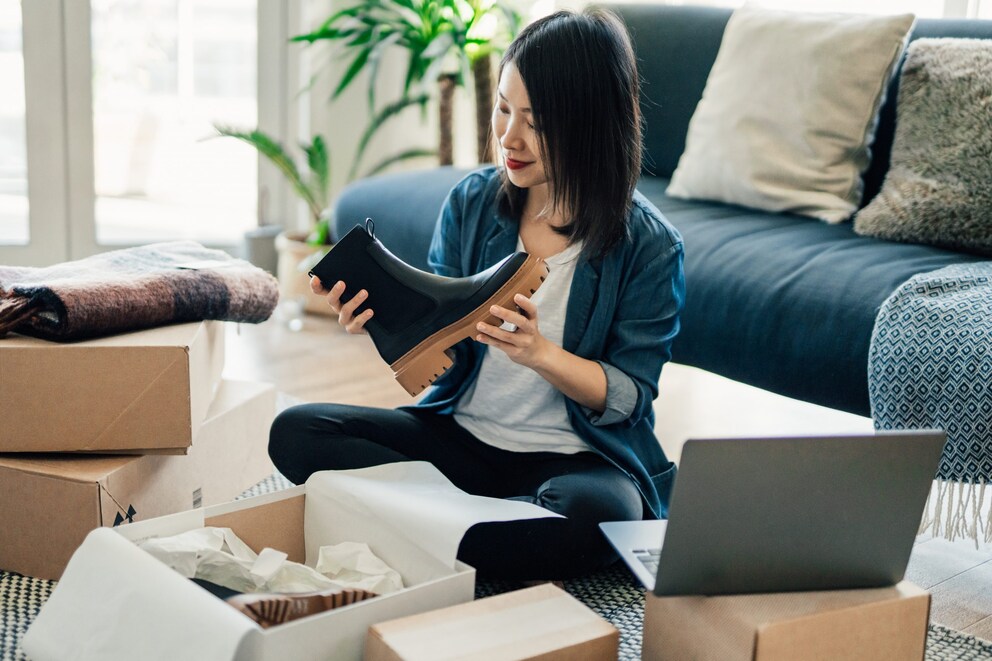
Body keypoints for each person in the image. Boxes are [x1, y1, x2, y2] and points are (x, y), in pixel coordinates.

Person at [268, 8, 685, 580]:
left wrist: (541, 354)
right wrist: (389, 323)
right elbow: (449, 360)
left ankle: (421, 523)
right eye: (503, 108)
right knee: (296, 431)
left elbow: (630, 396)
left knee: (600, 515)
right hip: (460, 440)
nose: (509, 137)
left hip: (574, 461)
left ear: (589, 124)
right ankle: (474, 532)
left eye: (536, 123)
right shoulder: (472, 204)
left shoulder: (649, 246)